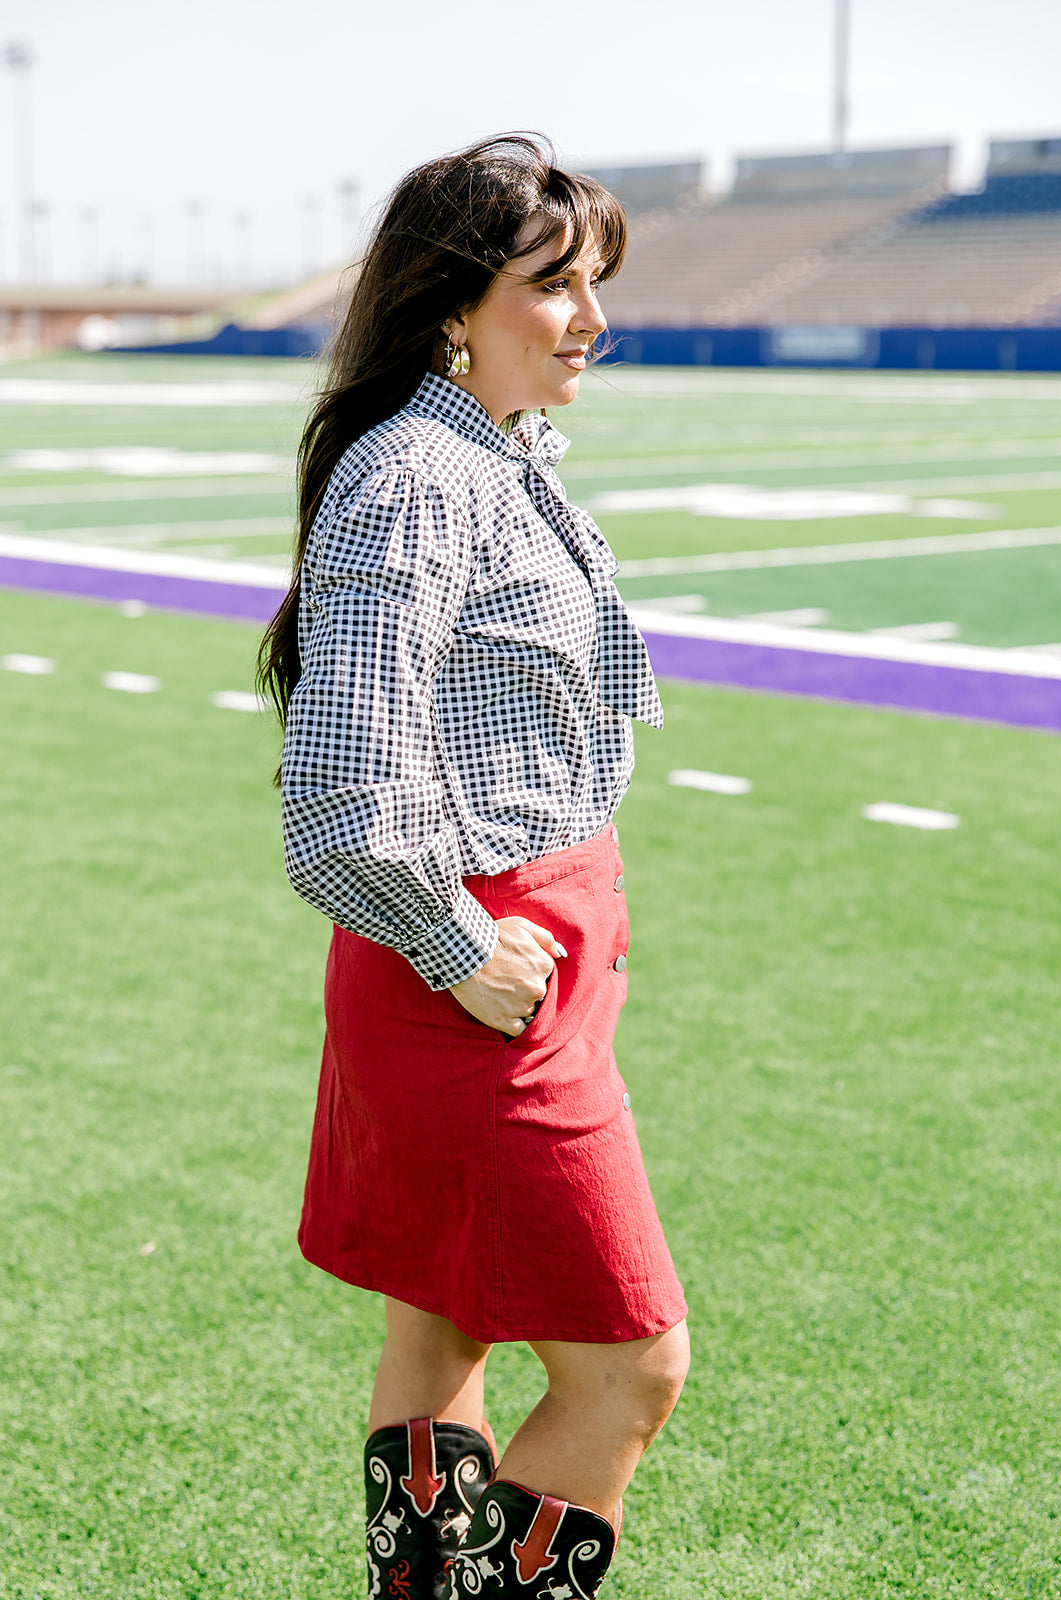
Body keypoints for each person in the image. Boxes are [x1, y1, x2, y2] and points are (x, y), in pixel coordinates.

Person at [258, 133, 689, 1600]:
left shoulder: (485, 455)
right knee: (631, 1369)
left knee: (437, 1328)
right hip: (474, 981)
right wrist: (460, 943)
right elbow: (341, 793)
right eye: (553, 284)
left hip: (510, 961)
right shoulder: (417, 478)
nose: (592, 317)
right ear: (453, 303)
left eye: (594, 284)